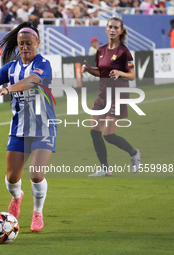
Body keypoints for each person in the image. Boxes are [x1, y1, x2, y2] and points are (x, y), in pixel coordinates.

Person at [0, 22, 57, 232]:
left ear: (37, 42)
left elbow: (32, 81)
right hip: (19, 128)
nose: (24, 47)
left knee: (36, 174)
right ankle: (17, 197)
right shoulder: (10, 67)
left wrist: (8, 89)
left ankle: (37, 212)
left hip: (43, 127)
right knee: (12, 178)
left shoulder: (43, 63)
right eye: (21, 44)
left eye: (29, 43)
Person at [81, 17, 141, 177]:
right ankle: (105, 169)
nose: (113, 30)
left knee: (108, 135)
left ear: (121, 31)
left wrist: (121, 73)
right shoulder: (100, 50)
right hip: (102, 95)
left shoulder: (124, 52)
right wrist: (88, 69)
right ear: (106, 29)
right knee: (94, 131)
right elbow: (101, 72)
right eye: (110, 27)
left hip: (118, 96)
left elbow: (132, 75)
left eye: (116, 27)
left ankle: (134, 153)